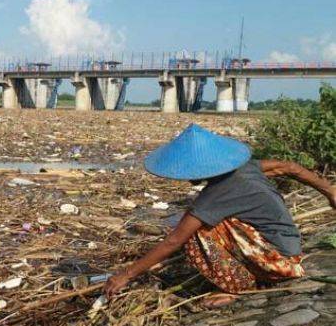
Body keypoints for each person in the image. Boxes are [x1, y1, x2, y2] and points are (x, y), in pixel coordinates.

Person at [103, 124, 336, 308]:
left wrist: (126, 274)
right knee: (206, 220)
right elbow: (290, 167)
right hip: (290, 248)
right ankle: (250, 274)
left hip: (279, 263)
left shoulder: (215, 194)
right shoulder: (246, 167)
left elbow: (174, 241)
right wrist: (330, 191)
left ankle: (237, 287)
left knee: (197, 231)